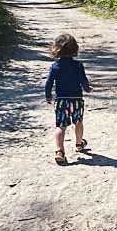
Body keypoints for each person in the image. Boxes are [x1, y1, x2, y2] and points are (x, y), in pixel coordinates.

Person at [45, 33, 93, 165]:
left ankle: (59, 151)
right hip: (76, 99)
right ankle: (79, 143)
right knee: (78, 122)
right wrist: (87, 89)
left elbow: (49, 83)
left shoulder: (55, 66)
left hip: (61, 100)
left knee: (61, 126)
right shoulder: (78, 65)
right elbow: (83, 81)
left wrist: (48, 96)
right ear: (75, 49)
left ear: (56, 49)